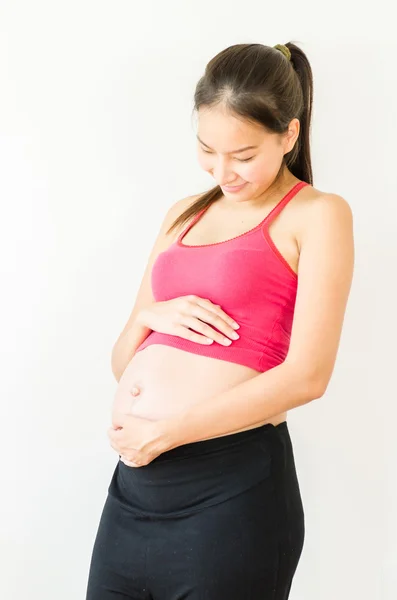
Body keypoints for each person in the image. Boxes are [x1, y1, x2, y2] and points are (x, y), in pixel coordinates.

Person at [85, 42, 354, 599]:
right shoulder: (183, 213)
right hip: (135, 490)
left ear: (289, 135)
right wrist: (151, 316)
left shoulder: (317, 214)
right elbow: (121, 362)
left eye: (244, 154)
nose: (223, 170)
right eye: (208, 150)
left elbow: (309, 376)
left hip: (231, 489)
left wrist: (169, 431)